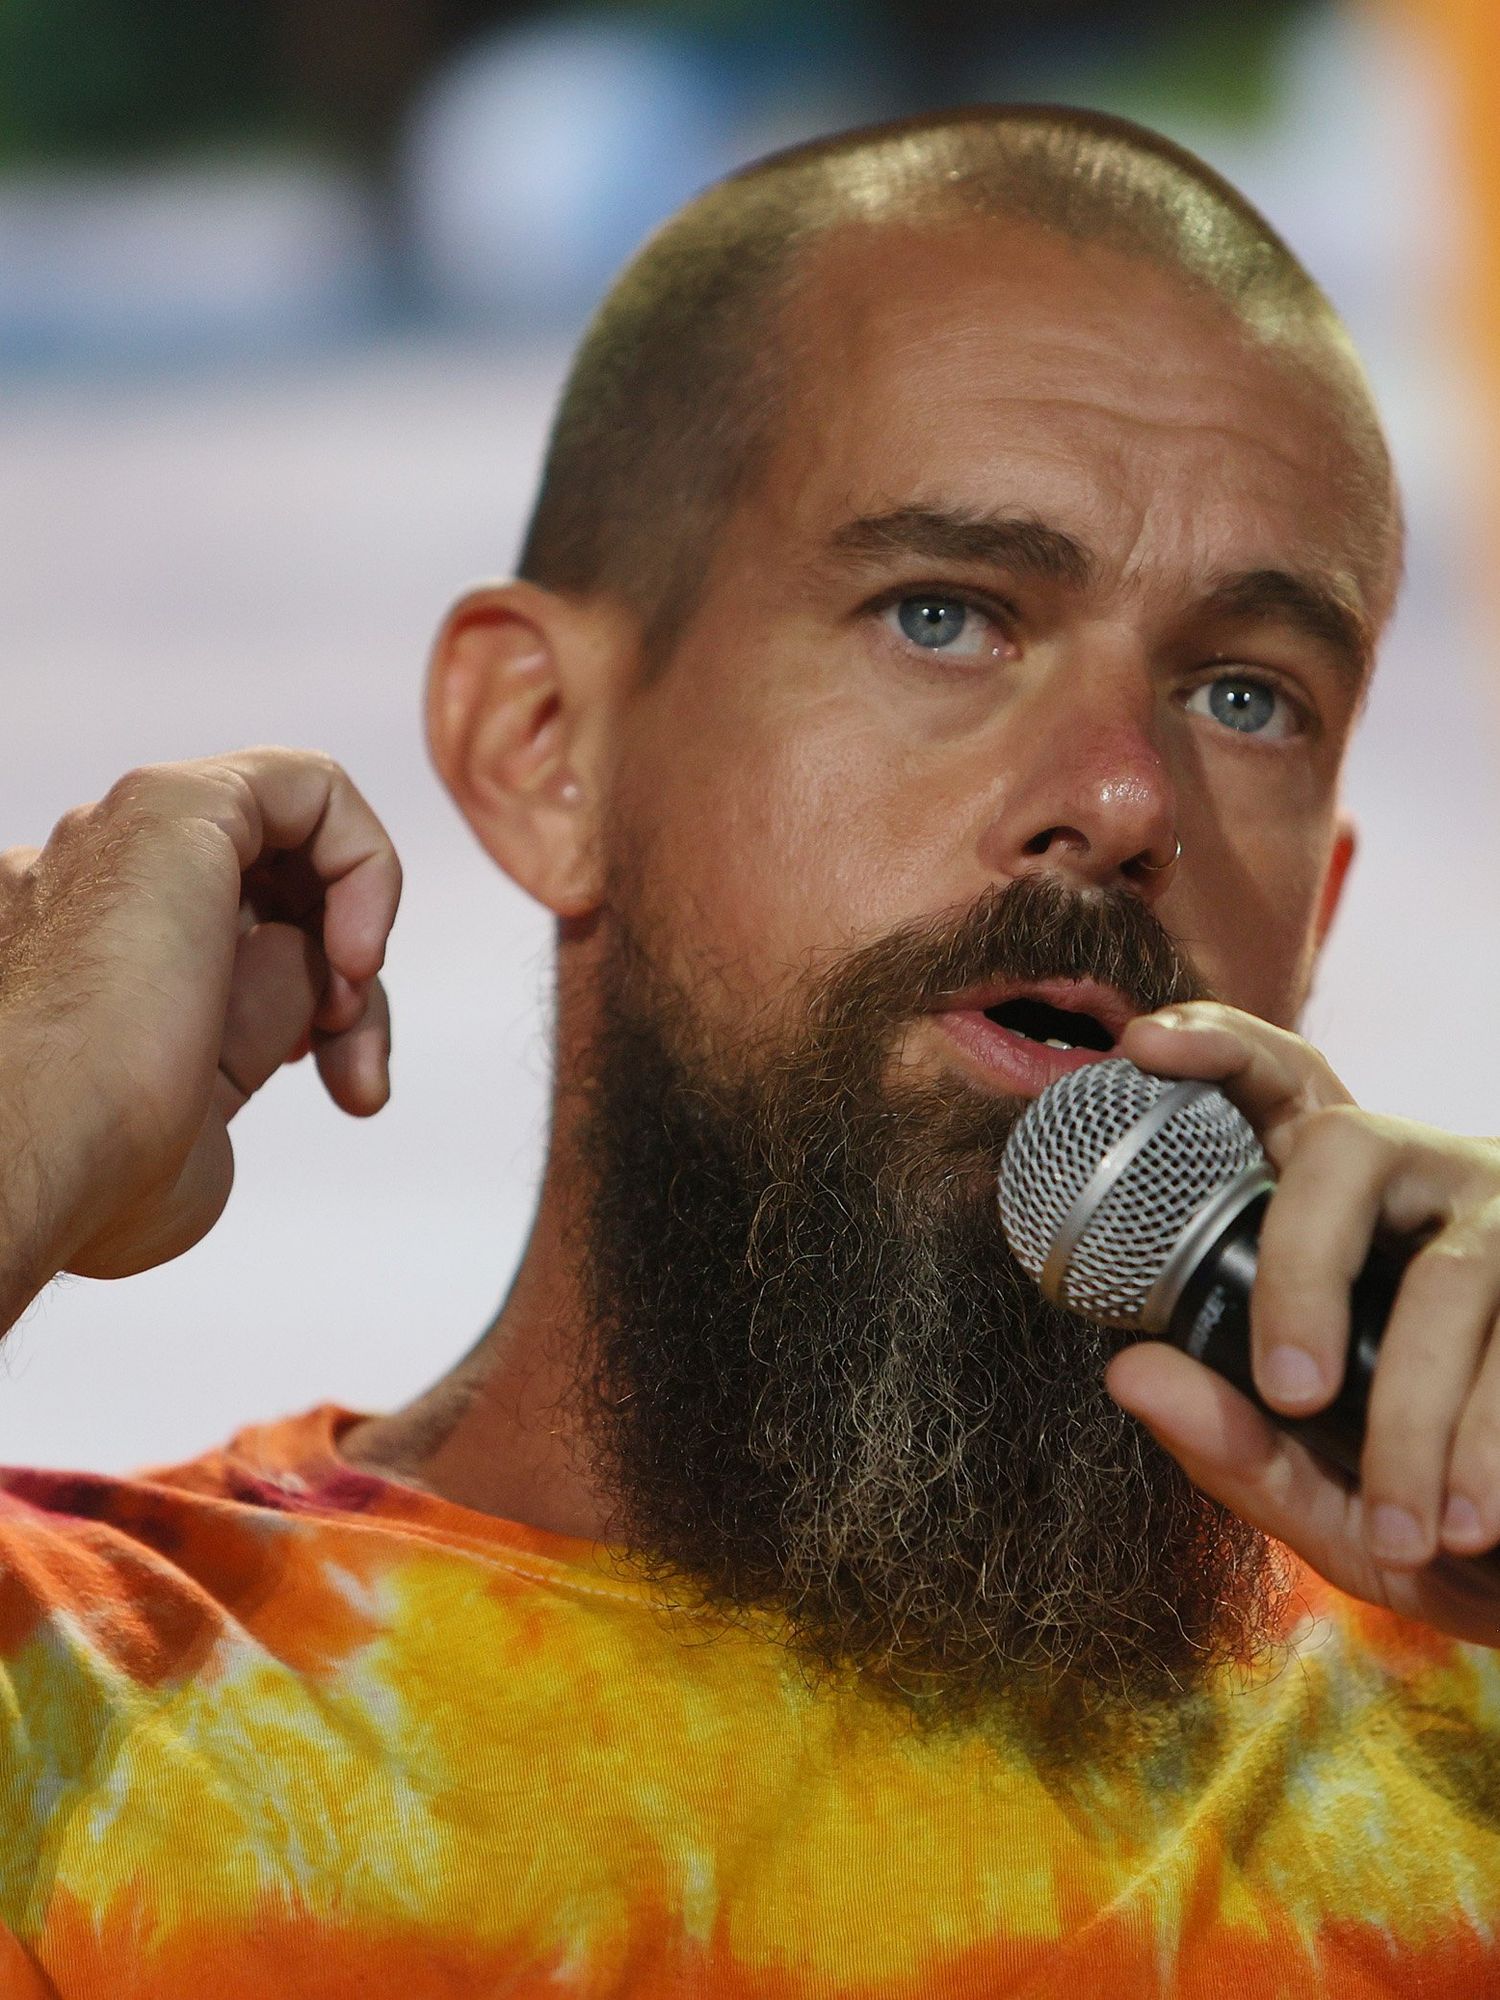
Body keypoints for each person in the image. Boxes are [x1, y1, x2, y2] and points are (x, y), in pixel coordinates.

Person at [1, 105, 1497, 1996]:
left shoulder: (1467, 1702)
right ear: (548, 745)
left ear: (1326, 908)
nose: (1127, 796)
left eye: (1245, 693)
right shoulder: (80, 1712)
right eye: (946, 616)